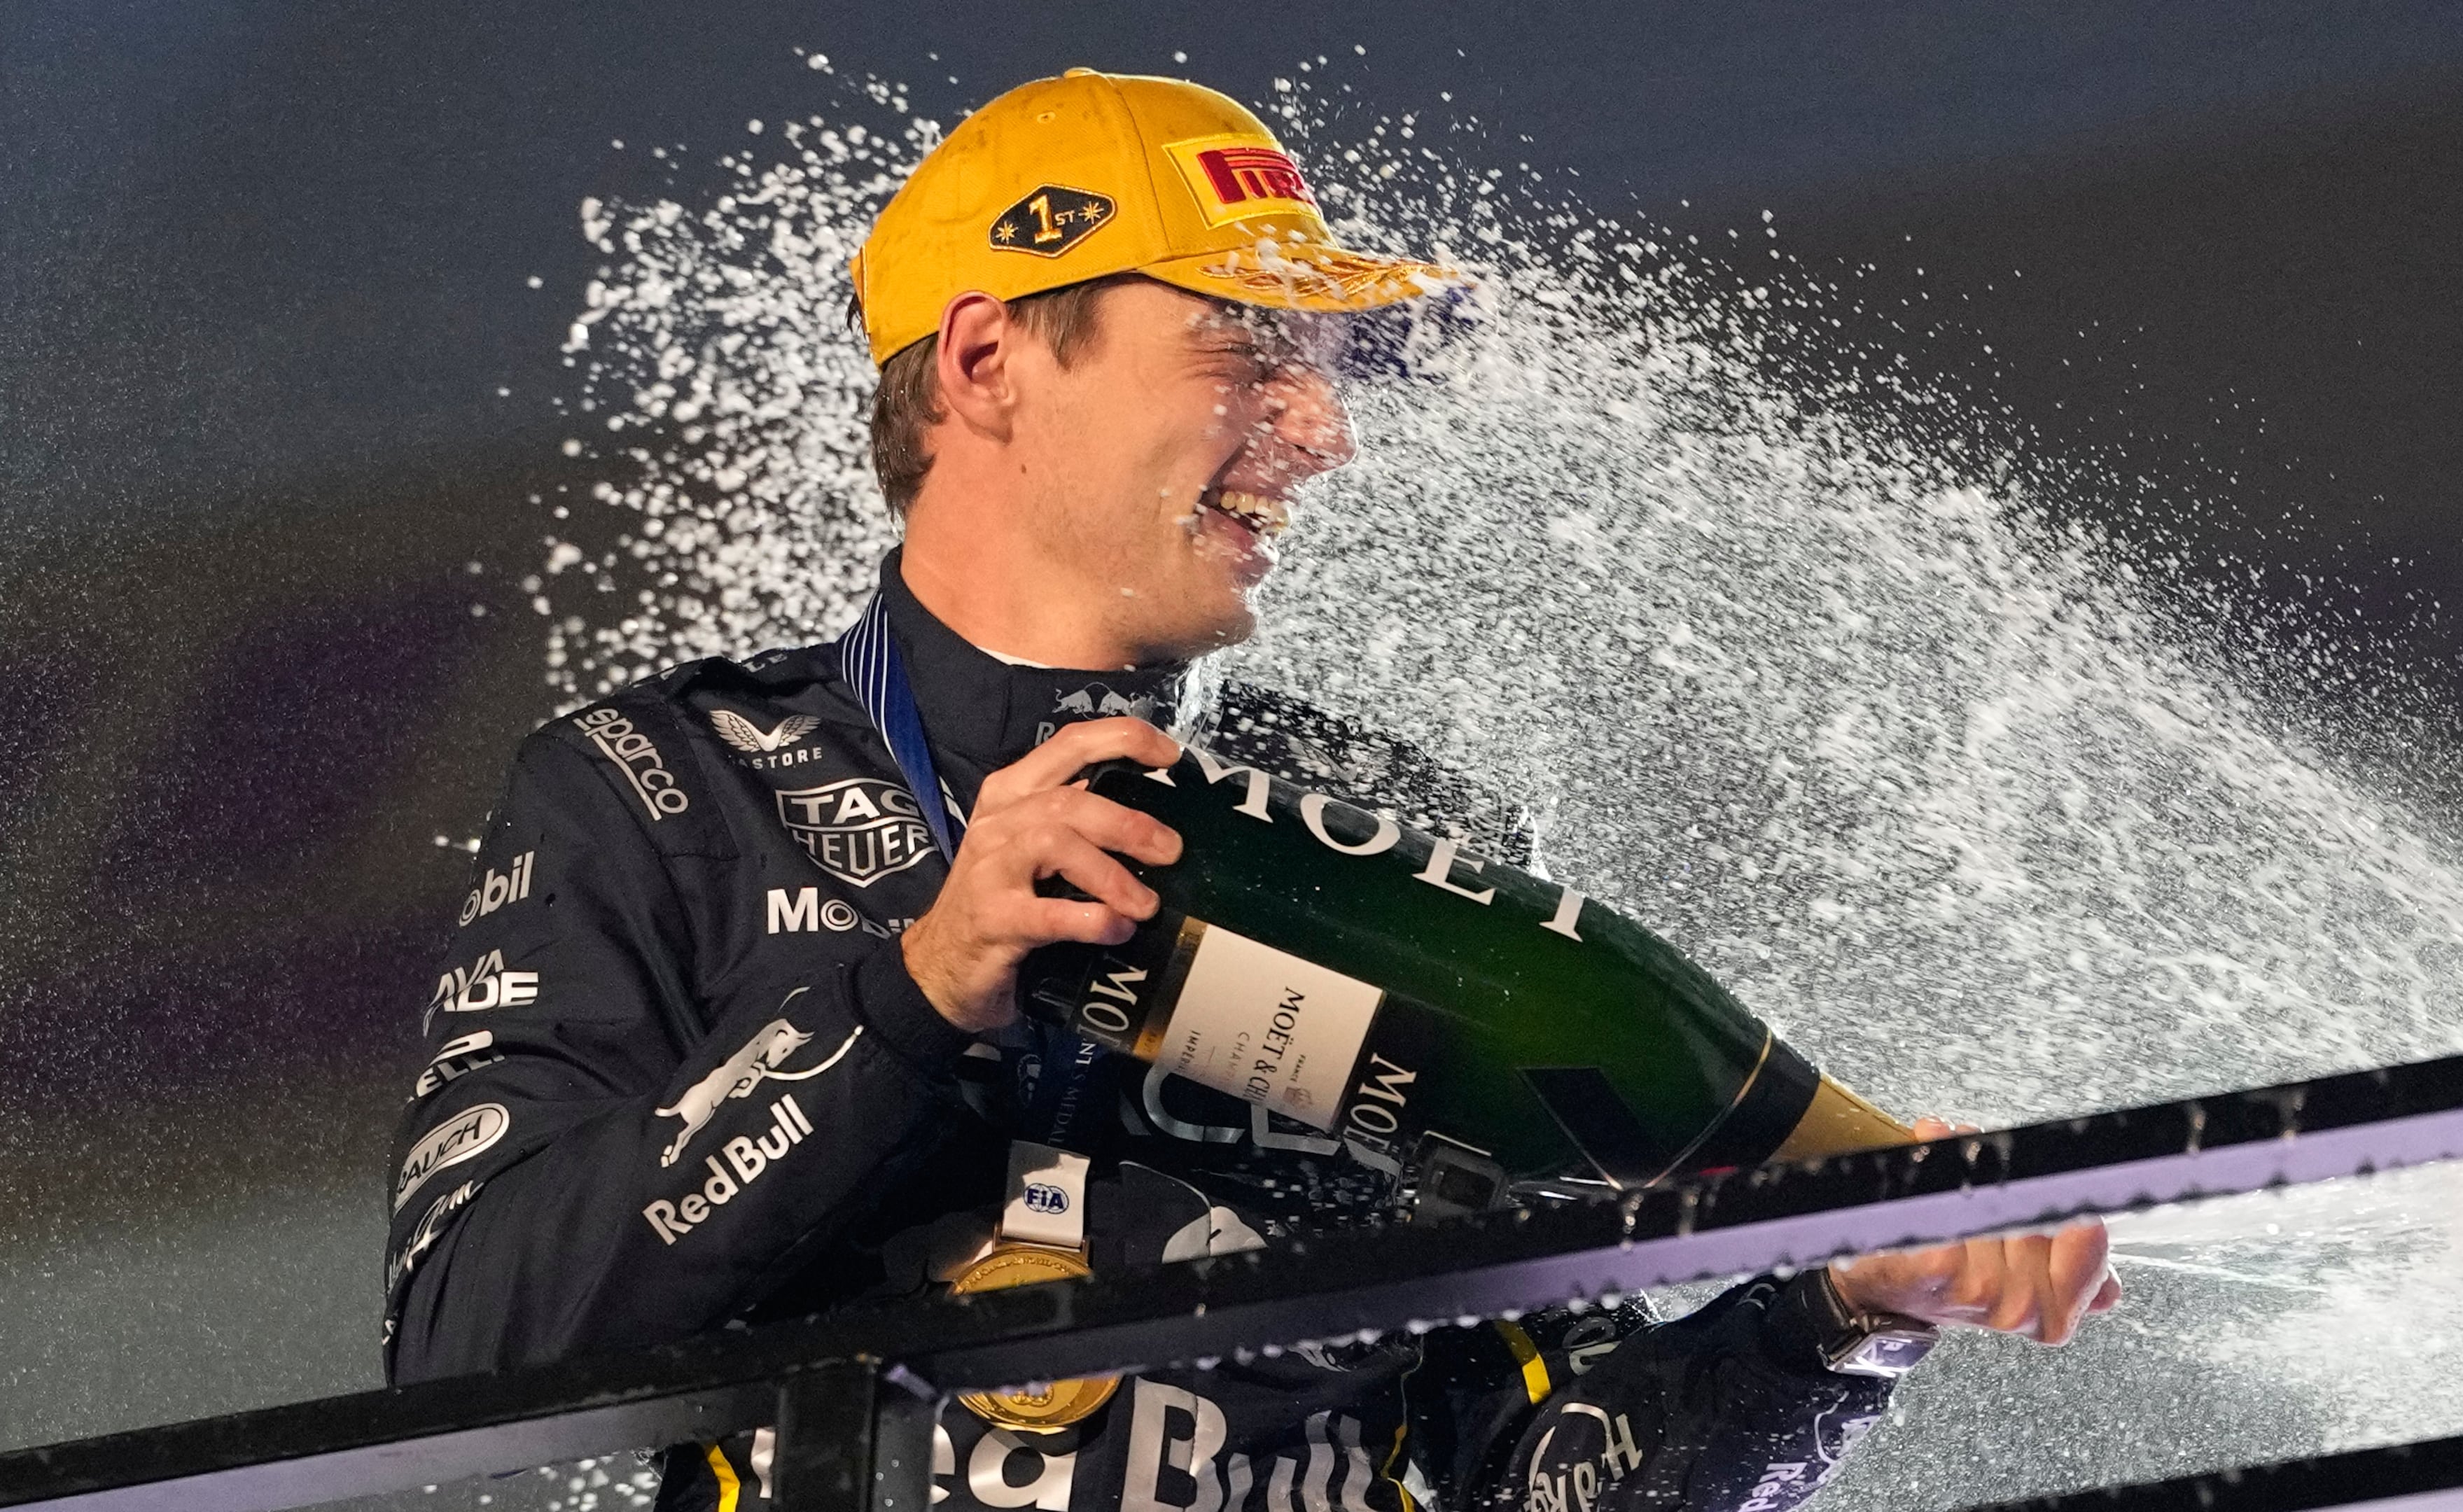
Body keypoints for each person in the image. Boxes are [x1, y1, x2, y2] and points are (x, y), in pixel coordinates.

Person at [384, 69, 2119, 1512]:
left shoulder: (1390, 832)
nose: (1321, 429)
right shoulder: (661, 787)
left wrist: (1839, 1311)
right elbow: (468, 1353)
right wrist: (913, 994)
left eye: (1323, 366)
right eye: (1242, 349)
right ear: (988, 361)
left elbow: (1535, 1473)